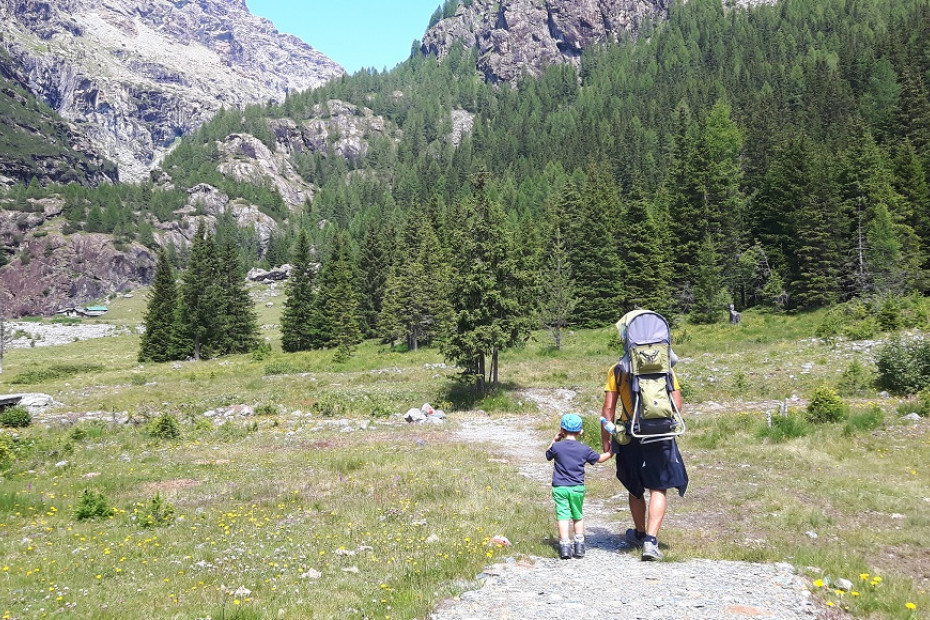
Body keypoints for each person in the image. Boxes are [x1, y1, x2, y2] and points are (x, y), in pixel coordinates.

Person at [601, 331, 689, 562]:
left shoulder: (618, 369)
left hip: (631, 434)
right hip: (661, 433)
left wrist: (606, 440)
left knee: (634, 486)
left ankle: (639, 533)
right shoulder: (665, 367)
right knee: (658, 487)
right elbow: (677, 403)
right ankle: (651, 541)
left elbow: (609, 408)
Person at [546, 413, 612, 559]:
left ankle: (565, 547)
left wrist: (554, 440)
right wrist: (612, 451)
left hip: (560, 487)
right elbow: (600, 459)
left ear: (562, 431)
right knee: (577, 515)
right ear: (580, 431)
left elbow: (547, 455)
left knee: (563, 516)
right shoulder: (584, 449)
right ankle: (579, 546)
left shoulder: (557, 447)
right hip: (577, 487)